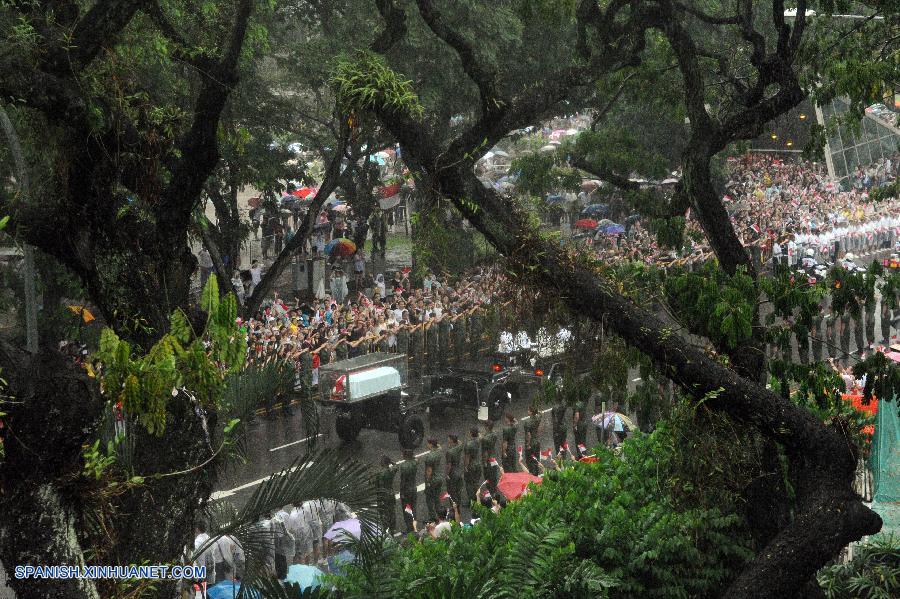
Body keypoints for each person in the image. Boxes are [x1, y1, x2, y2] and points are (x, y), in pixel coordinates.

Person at [423, 438, 443, 522]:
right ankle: (440, 514)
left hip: (433, 480)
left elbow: (429, 471)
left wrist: (427, 481)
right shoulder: (439, 452)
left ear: (431, 444)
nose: (427, 445)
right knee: (437, 498)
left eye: (428, 443)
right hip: (439, 478)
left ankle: (433, 517)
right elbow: (439, 446)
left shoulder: (429, 456)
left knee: (429, 499)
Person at [398, 449, 418, 533]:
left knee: (407, 509)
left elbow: (403, 481)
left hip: (406, 490)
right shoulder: (415, 463)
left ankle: (409, 528)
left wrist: (401, 492)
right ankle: (414, 526)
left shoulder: (403, 466)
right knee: (413, 508)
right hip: (413, 488)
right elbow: (416, 460)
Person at [481, 421, 502, 496]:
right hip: (494, 457)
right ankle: (494, 490)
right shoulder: (494, 434)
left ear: (486, 427)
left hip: (488, 459)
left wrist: (485, 462)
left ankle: (491, 492)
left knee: (488, 475)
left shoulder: (484, 439)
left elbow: (485, 452)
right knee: (494, 474)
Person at [463, 427, 482, 509]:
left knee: (469, 484)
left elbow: (467, 458)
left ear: (471, 433)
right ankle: (478, 498)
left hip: (471, 466)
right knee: (476, 482)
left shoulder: (468, 444)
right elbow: (481, 435)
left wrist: (466, 467)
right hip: (478, 464)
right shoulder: (478, 440)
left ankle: (471, 501)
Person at [444, 434, 465, 508]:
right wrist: (456, 440)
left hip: (453, 473)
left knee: (451, 491)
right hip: (459, 470)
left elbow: (449, 465)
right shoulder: (459, 447)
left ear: (452, 440)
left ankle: (454, 506)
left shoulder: (449, 452)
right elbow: (460, 442)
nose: (447, 439)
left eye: (449, 438)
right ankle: (458, 503)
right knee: (458, 489)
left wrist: (447, 474)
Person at [378, 456, 397, 533]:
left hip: (384, 495)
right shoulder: (392, 471)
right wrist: (391, 462)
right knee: (392, 511)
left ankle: (385, 528)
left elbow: (380, 486)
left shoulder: (381, 474)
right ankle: (392, 528)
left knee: (384, 513)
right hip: (391, 493)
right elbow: (396, 466)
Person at [523, 405, 542, 476]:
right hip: (537, 441)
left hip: (531, 443)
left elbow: (528, 435)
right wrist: (537, 411)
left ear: (531, 412)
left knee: (529, 460)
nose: (527, 411)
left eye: (528, 410)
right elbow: (541, 413)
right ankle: (536, 474)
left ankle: (532, 475)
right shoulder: (538, 418)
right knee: (536, 459)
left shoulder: (527, 422)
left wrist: (528, 445)